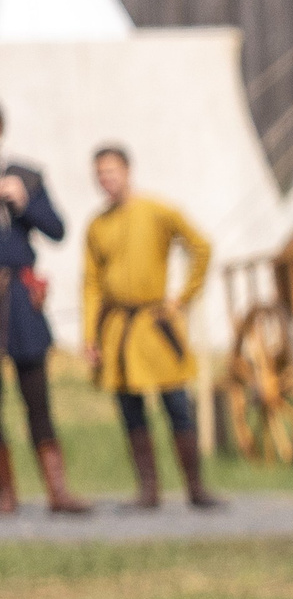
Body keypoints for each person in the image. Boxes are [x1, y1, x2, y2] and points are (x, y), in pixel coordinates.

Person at [81, 145, 218, 511]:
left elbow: (201, 247)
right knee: (130, 408)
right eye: (100, 174)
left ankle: (195, 487)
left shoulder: (158, 210)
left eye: (111, 171)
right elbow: (91, 284)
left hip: (155, 324)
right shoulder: (97, 225)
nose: (106, 179)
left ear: (127, 171)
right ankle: (148, 490)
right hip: (117, 329)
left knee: (177, 403)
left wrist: (183, 297)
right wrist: (89, 334)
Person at [0, 105, 86, 513]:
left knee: (36, 395)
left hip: (18, 299)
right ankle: (5, 493)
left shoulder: (25, 177)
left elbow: (57, 230)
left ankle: (57, 491)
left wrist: (24, 202)